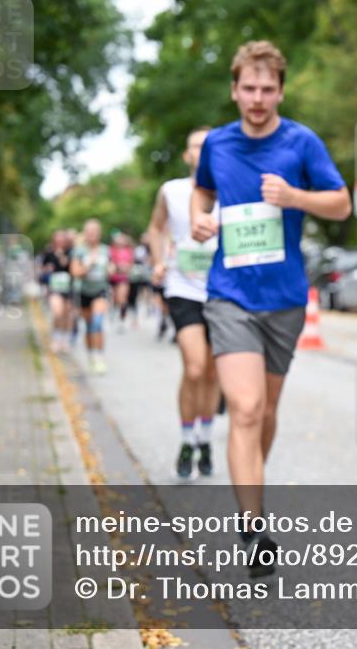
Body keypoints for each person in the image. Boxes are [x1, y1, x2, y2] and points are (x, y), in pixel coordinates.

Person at [190, 40, 351, 576]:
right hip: (229, 294)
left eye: (267, 88)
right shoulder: (217, 142)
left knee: (268, 411)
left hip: (283, 299)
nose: (257, 97)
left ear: (279, 90)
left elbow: (342, 202)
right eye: (248, 88)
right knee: (246, 407)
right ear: (235, 90)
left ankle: (249, 481)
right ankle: (253, 525)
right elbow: (201, 194)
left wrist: (296, 197)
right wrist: (200, 220)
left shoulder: (301, 142)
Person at [149, 126, 223, 480]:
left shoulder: (231, 188)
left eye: (210, 146)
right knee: (194, 368)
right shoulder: (172, 191)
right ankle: (185, 440)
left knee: (212, 372)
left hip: (223, 289)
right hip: (183, 287)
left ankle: (205, 439)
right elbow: (156, 228)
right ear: (186, 154)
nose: (203, 151)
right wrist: (159, 261)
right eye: (197, 146)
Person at [70, 219, 113, 374]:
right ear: (85, 234)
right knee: (89, 327)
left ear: (99, 233)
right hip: (84, 292)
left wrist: (111, 269)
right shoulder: (79, 251)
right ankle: (91, 355)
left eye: (95, 232)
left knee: (97, 322)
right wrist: (89, 265)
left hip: (100, 290)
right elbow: (75, 272)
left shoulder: (105, 250)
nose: (92, 235)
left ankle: (99, 357)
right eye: (89, 232)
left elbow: (110, 269)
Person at [42, 230, 74, 353]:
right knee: (57, 313)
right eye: (57, 239)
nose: (59, 242)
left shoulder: (70, 252)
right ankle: (56, 338)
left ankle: (65, 340)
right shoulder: (49, 253)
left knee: (67, 315)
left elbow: (69, 266)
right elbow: (43, 269)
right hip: (55, 288)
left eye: (62, 239)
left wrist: (61, 256)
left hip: (67, 287)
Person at [109, 233, 135, 333]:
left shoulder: (128, 251)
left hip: (123, 278)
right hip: (113, 278)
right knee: (115, 299)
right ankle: (115, 315)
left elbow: (130, 265)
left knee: (122, 298)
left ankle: (122, 320)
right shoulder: (111, 250)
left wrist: (125, 267)